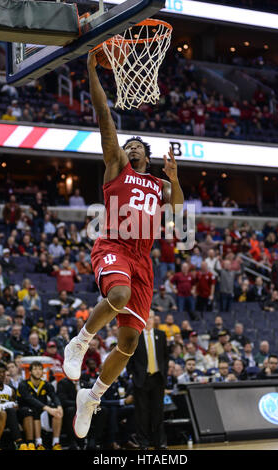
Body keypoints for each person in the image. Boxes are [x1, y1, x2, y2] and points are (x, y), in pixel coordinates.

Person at [62, 52, 184, 440]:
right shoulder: (117, 166)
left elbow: (178, 212)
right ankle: (80, 342)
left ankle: (92, 396)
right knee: (117, 291)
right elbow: (104, 116)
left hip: (142, 259)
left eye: (137, 146)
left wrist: (175, 178)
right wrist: (90, 71)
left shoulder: (160, 185)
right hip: (113, 243)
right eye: (128, 145)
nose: (131, 147)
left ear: (147, 156)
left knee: (129, 342)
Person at [126, 310, 168, 449]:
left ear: (154, 319)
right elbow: (129, 358)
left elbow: (165, 358)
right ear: (142, 318)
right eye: (147, 317)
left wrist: (165, 376)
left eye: (151, 317)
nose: (149, 320)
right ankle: (143, 443)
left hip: (157, 378)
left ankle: (159, 442)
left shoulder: (161, 335)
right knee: (142, 414)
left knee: (158, 412)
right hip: (141, 379)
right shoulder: (135, 335)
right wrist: (133, 374)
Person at [17, 361, 63, 450]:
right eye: (35, 369)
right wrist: (47, 408)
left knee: (57, 412)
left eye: (40, 369)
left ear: (43, 372)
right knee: (32, 410)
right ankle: (38, 443)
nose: (38, 371)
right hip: (24, 411)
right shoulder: (23, 384)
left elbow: (54, 396)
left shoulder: (46, 384)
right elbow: (29, 399)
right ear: (30, 372)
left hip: (42, 409)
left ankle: (56, 442)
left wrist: (59, 406)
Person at [0, 362, 26, 450]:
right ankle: (18, 442)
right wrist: (8, 405)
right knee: (4, 412)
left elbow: (15, 404)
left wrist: (14, 405)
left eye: (3, 372)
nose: (2, 374)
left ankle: (21, 443)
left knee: (13, 411)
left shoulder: (10, 390)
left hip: (9, 419)